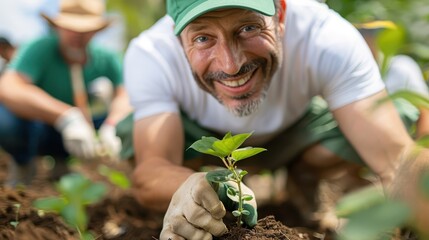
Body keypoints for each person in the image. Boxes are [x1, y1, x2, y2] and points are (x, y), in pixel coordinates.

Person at [121, 0, 429, 239]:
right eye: (203, 38)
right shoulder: (151, 55)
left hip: (297, 132)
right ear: (177, 37)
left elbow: (396, 159)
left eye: (248, 29)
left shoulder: (325, 37)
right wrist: (183, 185)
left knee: (391, 117)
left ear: (280, 15)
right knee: (134, 137)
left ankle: (304, 175)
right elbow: (152, 167)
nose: (230, 65)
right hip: (204, 141)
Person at [0, 0, 132, 187]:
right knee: (5, 119)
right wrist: (65, 116)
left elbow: (125, 93)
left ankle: (62, 162)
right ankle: (23, 162)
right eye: (71, 28)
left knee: (135, 120)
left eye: (85, 29)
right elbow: (8, 86)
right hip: (43, 126)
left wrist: (113, 123)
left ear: (96, 31)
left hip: (88, 126)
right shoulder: (40, 48)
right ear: (58, 27)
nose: (77, 35)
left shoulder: (106, 58)